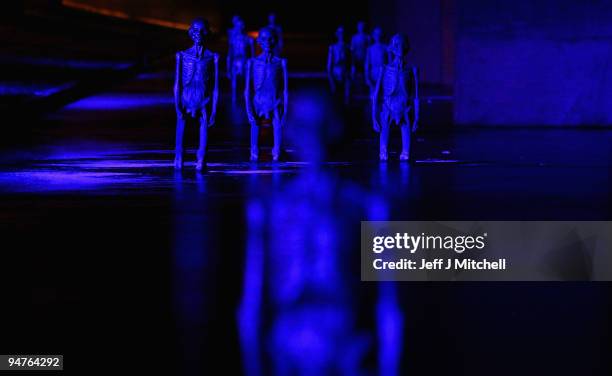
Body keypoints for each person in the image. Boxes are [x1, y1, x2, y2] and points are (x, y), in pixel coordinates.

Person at [174, 18, 219, 171]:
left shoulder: (213, 57)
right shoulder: (182, 55)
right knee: (182, 125)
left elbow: (215, 86)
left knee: (204, 126)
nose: (198, 34)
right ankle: (179, 157)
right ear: (191, 32)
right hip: (186, 97)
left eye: (201, 31)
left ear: (206, 33)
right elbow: (177, 83)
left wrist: (214, 110)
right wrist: (177, 104)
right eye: (195, 30)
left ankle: (202, 158)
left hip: (204, 98)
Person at [372, 34, 419, 161]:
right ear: (393, 48)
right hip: (388, 107)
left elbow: (415, 95)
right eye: (396, 45)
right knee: (383, 150)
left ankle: (404, 151)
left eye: (401, 45)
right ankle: (383, 150)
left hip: (404, 109)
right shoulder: (385, 69)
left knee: (406, 153)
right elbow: (376, 94)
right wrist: (374, 118)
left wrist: (417, 118)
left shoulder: (412, 70)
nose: (399, 49)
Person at [245, 27, 289, 161]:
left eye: (270, 39)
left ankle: (277, 150)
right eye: (263, 39)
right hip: (258, 102)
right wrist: (248, 109)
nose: (267, 42)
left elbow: (285, 89)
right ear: (259, 41)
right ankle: (254, 151)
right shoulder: (252, 62)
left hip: (274, 101)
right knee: (255, 128)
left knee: (277, 126)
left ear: (274, 41)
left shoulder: (281, 62)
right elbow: (247, 89)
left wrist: (285, 110)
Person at [227, 18, 255, 102]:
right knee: (234, 78)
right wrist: (228, 67)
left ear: (242, 26)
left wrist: (252, 66)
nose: (238, 27)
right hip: (236, 60)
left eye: (240, 25)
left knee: (246, 78)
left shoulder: (248, 39)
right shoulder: (233, 38)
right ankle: (234, 96)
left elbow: (252, 54)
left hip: (244, 60)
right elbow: (230, 52)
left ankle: (246, 95)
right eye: (237, 25)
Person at [327, 26, 351, 104]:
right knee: (335, 94)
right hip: (336, 72)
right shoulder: (333, 47)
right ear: (337, 34)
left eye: (342, 33)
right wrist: (330, 78)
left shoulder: (347, 47)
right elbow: (329, 63)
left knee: (346, 94)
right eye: (340, 33)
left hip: (344, 71)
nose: (341, 35)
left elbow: (350, 61)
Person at [365, 27, 388, 95]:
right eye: (376, 34)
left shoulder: (385, 47)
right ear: (373, 35)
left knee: (385, 97)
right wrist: (367, 77)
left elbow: (390, 63)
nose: (377, 36)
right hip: (373, 74)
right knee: (373, 96)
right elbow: (367, 64)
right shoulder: (369, 49)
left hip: (384, 74)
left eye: (379, 34)